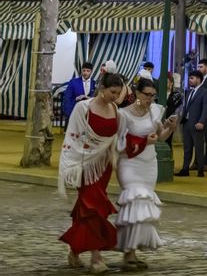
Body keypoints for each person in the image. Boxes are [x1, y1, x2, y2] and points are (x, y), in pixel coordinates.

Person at [58, 72, 126, 274]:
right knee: (94, 207)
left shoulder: (115, 109)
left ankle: (74, 249)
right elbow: (73, 137)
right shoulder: (83, 108)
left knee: (86, 209)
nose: (115, 96)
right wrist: (77, 162)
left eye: (118, 93)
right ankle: (96, 258)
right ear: (102, 88)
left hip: (103, 167)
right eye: (112, 92)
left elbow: (117, 138)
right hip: (85, 166)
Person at [115, 79, 177, 269]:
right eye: (146, 94)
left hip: (150, 164)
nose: (150, 98)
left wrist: (170, 128)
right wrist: (144, 143)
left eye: (153, 95)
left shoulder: (155, 111)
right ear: (137, 93)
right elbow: (119, 146)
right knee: (135, 203)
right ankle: (127, 253)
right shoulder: (124, 114)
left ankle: (133, 252)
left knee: (143, 209)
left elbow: (160, 137)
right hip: (130, 165)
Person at [176, 71, 207, 177]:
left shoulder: (205, 92)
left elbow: (206, 108)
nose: (189, 80)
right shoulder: (188, 92)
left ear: (198, 79)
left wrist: (202, 121)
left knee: (199, 148)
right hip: (187, 123)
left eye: (192, 78)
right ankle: (185, 169)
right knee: (187, 148)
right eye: (189, 78)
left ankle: (200, 170)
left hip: (197, 124)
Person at [164, 73, 184, 147]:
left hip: (170, 121)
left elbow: (179, 108)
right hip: (159, 121)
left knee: (168, 141)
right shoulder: (157, 94)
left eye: (167, 81)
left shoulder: (176, 95)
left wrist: (174, 118)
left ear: (171, 83)